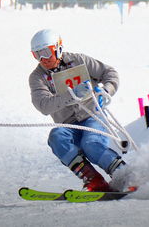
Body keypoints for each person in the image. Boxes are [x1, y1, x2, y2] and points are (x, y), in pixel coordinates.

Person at [28, 29, 132, 192]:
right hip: (69, 125)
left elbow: (109, 73)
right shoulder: (37, 77)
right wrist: (71, 94)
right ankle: (94, 181)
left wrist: (107, 90)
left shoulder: (78, 61)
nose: (43, 59)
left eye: (47, 52)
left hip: (93, 116)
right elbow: (43, 105)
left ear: (58, 48)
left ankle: (125, 175)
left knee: (91, 144)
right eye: (37, 55)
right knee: (56, 137)